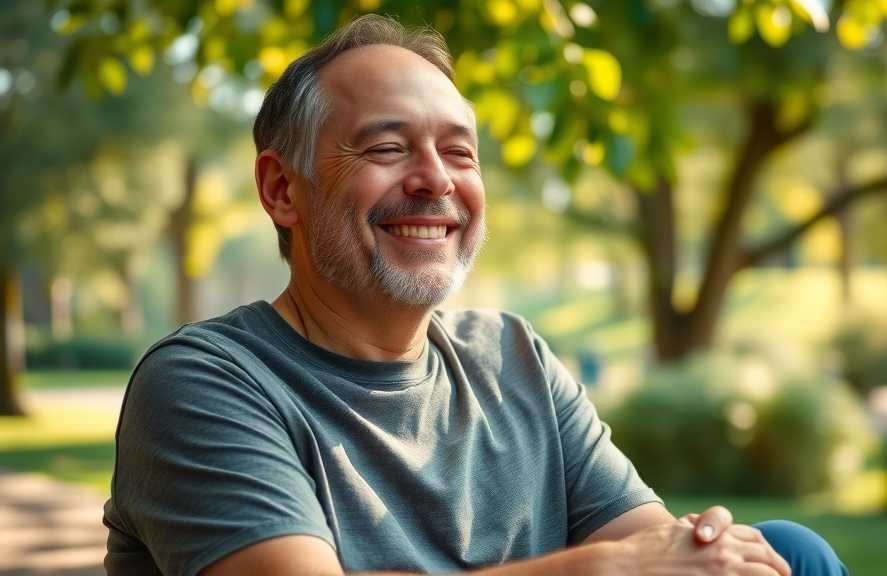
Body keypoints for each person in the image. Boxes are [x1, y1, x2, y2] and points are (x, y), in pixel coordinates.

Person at [102, 14, 849, 576]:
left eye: (459, 151)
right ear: (281, 189)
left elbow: (649, 544)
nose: (437, 180)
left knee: (788, 553)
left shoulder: (514, 356)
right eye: (388, 147)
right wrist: (600, 568)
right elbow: (622, 563)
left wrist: (702, 551)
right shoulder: (205, 383)